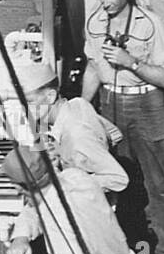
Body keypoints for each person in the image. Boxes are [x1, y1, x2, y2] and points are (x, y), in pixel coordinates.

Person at [82, 0, 164, 254]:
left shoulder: (151, 24)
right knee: (123, 184)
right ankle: (138, 251)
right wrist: (82, 107)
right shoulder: (95, 21)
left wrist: (132, 63)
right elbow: (92, 67)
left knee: (161, 185)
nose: (106, 4)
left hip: (147, 103)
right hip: (110, 103)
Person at [2, 148, 156, 254]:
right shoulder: (76, 177)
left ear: (20, 188)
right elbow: (34, 207)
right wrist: (21, 237)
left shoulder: (58, 221)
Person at [10, 59, 128, 192]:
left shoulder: (77, 134)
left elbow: (118, 179)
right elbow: (115, 135)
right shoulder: (76, 104)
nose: (23, 108)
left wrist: (68, 181)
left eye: (29, 101)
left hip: (87, 205)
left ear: (50, 97)